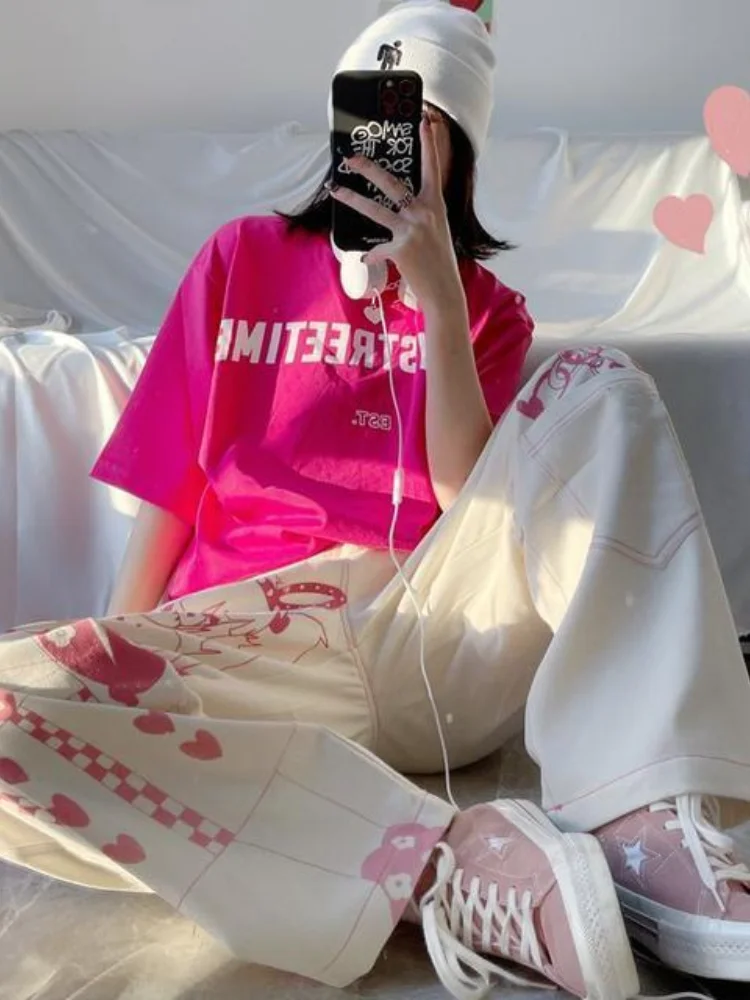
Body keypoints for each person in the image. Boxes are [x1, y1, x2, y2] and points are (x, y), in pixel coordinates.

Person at [1, 3, 750, 999]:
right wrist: (112, 650)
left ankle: (644, 819)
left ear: (459, 158)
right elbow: (165, 490)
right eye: (378, 116)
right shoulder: (241, 259)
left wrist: (438, 296)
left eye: (425, 127)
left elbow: (467, 498)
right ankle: (438, 863)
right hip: (249, 644)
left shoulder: (486, 310)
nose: (394, 145)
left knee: (605, 385)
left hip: (425, 632)